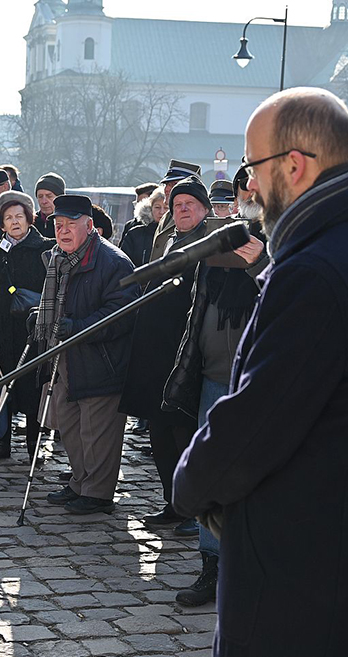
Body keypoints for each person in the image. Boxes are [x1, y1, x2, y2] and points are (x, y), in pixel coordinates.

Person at [173, 88, 348, 657]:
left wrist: (192, 485)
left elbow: (253, 426)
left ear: (293, 165)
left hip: (295, 568)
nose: (247, 187)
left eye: (251, 168)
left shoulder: (321, 271)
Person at [162, 172, 267, 607]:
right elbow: (195, 306)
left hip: (260, 379)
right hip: (212, 376)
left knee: (258, 476)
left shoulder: (287, 238)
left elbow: (298, 300)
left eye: (255, 188)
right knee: (210, 469)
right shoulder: (220, 239)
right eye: (242, 190)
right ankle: (212, 566)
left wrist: (262, 264)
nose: (246, 197)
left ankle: (255, 567)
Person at [121, 178, 214, 532]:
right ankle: (173, 504)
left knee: (183, 434)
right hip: (157, 352)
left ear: (204, 210)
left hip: (188, 352)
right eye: (177, 205)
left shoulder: (210, 245)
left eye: (190, 204)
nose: (183, 209)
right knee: (159, 435)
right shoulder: (169, 240)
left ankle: (193, 510)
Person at [37, 194, 138, 515]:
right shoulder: (59, 257)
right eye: (58, 225)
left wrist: (78, 326)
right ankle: (80, 482)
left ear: (90, 226)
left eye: (70, 225)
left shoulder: (113, 261)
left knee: (97, 432)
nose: (63, 231)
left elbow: (122, 312)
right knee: (70, 427)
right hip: (65, 356)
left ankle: (98, 492)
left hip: (100, 359)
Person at [0, 190, 53, 461]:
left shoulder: (44, 249)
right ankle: (1, 442)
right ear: (0, 223)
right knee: (0, 387)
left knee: (32, 390)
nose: (15, 222)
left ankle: (33, 444)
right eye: (8, 218)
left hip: (32, 332)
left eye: (19, 216)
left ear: (29, 219)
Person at [151, 160, 202, 261]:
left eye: (174, 184)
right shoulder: (166, 216)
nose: (167, 189)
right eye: (166, 184)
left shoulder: (199, 217)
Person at [120, 187, 164, 269]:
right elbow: (123, 262)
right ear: (150, 209)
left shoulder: (176, 234)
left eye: (166, 208)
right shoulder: (135, 233)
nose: (161, 212)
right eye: (157, 207)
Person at [33, 173, 65, 238]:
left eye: (49, 196)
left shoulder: (69, 221)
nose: (44, 201)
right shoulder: (31, 221)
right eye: (40, 196)